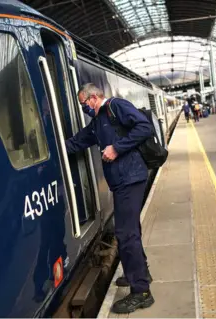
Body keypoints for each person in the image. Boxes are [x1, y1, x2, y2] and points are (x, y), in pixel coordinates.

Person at [65, 83, 155, 313]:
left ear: (94, 98)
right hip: (121, 182)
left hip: (131, 179)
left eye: (84, 103)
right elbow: (77, 142)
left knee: (126, 234)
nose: (83, 108)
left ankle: (141, 291)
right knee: (130, 230)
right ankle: (141, 272)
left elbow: (145, 127)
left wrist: (116, 148)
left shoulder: (117, 106)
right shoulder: (97, 123)